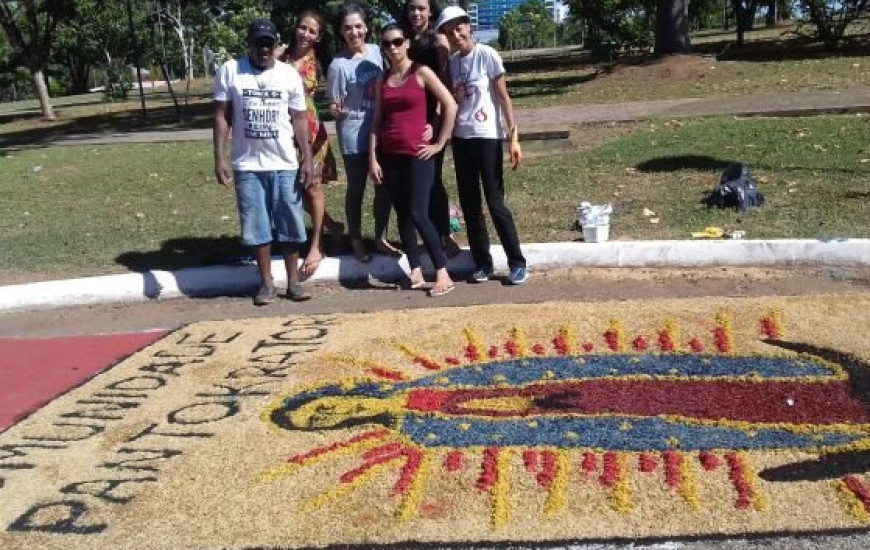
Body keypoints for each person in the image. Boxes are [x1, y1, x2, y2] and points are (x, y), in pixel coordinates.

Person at [213, 19, 315, 305]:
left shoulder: (288, 75)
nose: (264, 49)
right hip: (248, 164)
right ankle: (266, 283)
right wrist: (219, 157)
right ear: (250, 44)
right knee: (257, 227)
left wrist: (307, 158)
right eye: (259, 43)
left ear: (275, 44)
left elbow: (299, 118)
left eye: (269, 43)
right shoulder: (230, 70)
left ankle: (293, 282)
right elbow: (221, 115)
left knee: (290, 223)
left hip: (284, 162)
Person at [436, 7, 529, 285]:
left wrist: (513, 136)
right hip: (462, 138)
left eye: (459, 28)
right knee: (470, 204)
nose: (456, 35)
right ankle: (483, 263)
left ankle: (517, 262)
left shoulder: (487, 55)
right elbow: (450, 100)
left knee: (495, 201)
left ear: (469, 27)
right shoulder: (453, 64)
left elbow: (503, 97)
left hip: (487, 136)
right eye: (449, 32)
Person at [369, 23, 457, 297]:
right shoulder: (382, 80)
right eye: (386, 44)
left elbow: (450, 104)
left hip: (418, 155)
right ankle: (415, 269)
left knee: (419, 213)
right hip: (390, 155)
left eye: (397, 42)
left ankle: (442, 272)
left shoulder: (421, 72)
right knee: (404, 215)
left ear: (406, 43)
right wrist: (373, 157)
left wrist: (439, 143)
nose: (392, 48)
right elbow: (377, 120)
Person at [327, 3, 398, 263]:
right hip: (354, 135)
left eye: (358, 26)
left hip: (381, 131)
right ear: (341, 32)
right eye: (348, 28)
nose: (354, 32)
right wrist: (336, 110)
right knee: (356, 188)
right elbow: (333, 105)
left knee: (383, 186)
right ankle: (356, 239)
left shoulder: (378, 52)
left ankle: (380, 237)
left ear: (366, 28)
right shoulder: (338, 65)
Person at [282, 10, 344, 277]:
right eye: (303, 28)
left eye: (312, 31)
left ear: (318, 37)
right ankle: (333, 226)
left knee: (313, 187)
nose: (305, 34)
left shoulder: (316, 62)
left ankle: (317, 245)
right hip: (283, 130)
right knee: (298, 190)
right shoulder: (281, 55)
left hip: (309, 131)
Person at [398, 0, 461, 258]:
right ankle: (422, 235)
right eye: (412, 8)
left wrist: (434, 124)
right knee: (410, 180)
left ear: (430, 11)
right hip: (407, 118)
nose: (416, 13)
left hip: (430, 119)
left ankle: (445, 234)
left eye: (421, 8)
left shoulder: (438, 41)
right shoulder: (401, 38)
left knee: (433, 179)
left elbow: (445, 87)